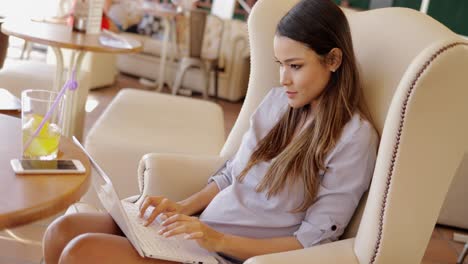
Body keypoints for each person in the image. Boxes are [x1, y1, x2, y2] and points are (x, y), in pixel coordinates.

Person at [42, 0, 378, 263]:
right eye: (280, 65)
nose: (283, 79)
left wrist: (213, 239)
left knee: (80, 253)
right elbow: (232, 174)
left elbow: (311, 242)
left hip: (225, 254)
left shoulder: (353, 140)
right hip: (198, 234)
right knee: (62, 231)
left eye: (296, 66)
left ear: (333, 60)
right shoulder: (279, 104)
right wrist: (183, 207)